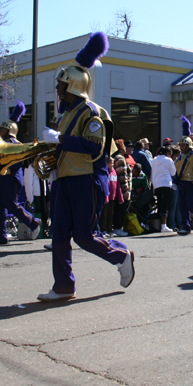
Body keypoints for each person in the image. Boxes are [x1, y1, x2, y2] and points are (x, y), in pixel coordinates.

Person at [37, 32, 134, 301]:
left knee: (84, 236)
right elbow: (65, 147)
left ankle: (121, 255)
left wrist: (61, 140)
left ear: (72, 85)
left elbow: (94, 146)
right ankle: (63, 286)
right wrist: (52, 161)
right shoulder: (64, 116)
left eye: (61, 85)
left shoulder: (92, 112)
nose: (58, 89)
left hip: (86, 179)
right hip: (65, 179)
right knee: (59, 235)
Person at [0, 101, 41, 244]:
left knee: (11, 204)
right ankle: (0, 236)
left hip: (11, 178)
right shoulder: (1, 143)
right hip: (1, 177)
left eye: (3, 129)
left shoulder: (15, 144)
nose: (0, 131)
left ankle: (33, 222)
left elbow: (16, 162)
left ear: (9, 131)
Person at [151, 145, 177, 233]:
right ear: (168, 153)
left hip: (156, 183)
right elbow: (173, 173)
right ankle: (164, 225)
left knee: (160, 203)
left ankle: (160, 225)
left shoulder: (154, 160)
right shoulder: (168, 160)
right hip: (166, 183)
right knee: (165, 204)